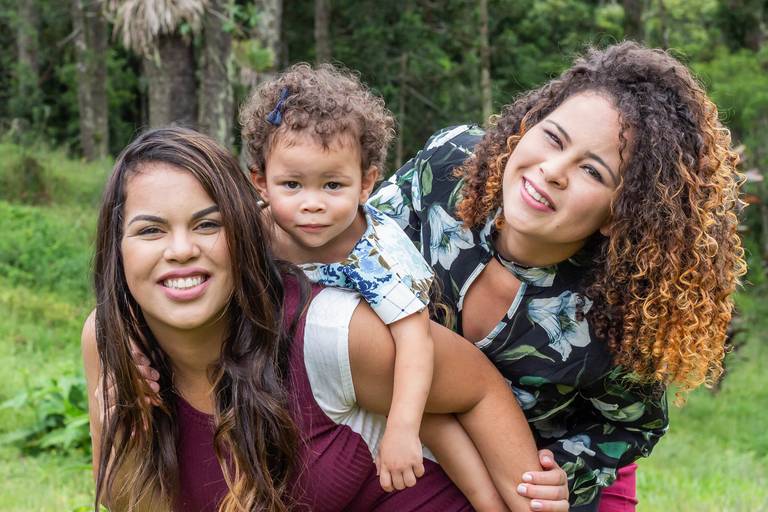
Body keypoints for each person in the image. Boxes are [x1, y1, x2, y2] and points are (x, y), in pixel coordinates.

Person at [81, 127, 570, 511]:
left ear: (243, 235)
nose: (181, 250)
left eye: (207, 224)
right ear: (115, 248)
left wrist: (527, 498)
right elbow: (133, 500)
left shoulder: (330, 330)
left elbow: (478, 386)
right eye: (150, 231)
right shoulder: (111, 341)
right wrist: (118, 418)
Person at [367, 41, 746, 511]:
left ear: (619, 215)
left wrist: (567, 473)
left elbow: (631, 425)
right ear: (526, 127)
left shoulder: (615, 313)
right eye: (553, 138)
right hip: (408, 433)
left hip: (525, 472)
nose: (553, 171)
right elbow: (356, 246)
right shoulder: (446, 169)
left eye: (592, 171)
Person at [241, 64, 439, 496]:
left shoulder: (380, 253)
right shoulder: (250, 232)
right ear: (261, 182)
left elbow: (416, 341)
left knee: (451, 429)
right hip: (310, 376)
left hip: (401, 372)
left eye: (332, 185)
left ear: (366, 183)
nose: (312, 204)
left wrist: (402, 429)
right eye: (292, 184)